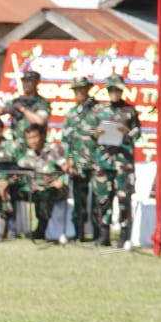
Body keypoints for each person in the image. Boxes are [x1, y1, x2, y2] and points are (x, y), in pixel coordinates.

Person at [91, 75, 141, 247]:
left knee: (123, 198)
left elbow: (137, 133)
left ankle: (124, 235)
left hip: (123, 161)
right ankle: (104, 234)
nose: (114, 93)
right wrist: (96, 133)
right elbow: (90, 133)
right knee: (103, 197)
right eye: (111, 90)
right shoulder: (99, 110)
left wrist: (127, 131)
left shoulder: (129, 111)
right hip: (104, 160)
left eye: (117, 90)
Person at [61, 76, 102, 241]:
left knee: (98, 200)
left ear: (88, 89)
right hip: (78, 163)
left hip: (97, 161)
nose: (79, 92)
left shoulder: (98, 110)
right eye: (76, 90)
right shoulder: (72, 114)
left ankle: (99, 235)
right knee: (79, 201)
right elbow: (67, 140)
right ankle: (78, 233)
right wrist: (69, 158)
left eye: (82, 89)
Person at [15, 122, 70, 241]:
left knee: (45, 195)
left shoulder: (53, 149)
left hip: (55, 188)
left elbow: (66, 168)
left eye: (35, 137)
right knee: (13, 191)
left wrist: (61, 181)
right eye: (29, 138)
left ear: (43, 136)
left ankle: (42, 228)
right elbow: (21, 172)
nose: (33, 141)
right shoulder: (27, 153)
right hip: (35, 188)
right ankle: (9, 227)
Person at [0, 69, 50, 137]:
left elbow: (40, 121)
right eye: (24, 81)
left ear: (36, 83)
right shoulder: (17, 101)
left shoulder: (42, 102)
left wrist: (22, 109)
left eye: (29, 81)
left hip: (34, 142)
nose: (25, 84)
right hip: (16, 142)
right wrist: (8, 109)